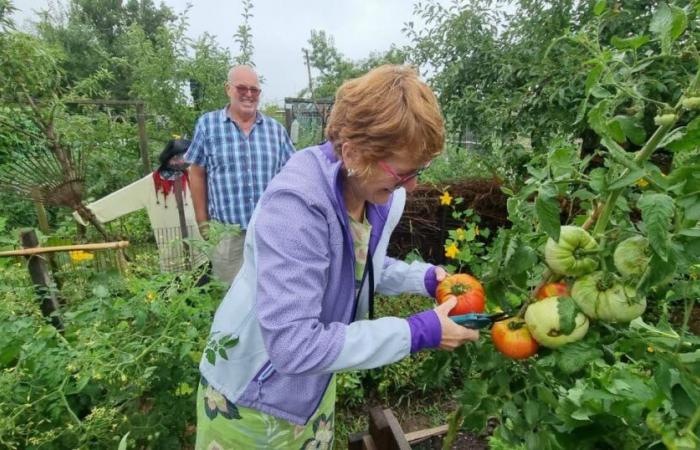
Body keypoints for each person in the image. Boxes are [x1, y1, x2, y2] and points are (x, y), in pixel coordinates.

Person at [195, 65, 479, 449]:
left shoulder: (374, 191)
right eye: (403, 172)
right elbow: (293, 345)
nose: (412, 185)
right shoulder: (296, 207)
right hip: (252, 394)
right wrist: (416, 331)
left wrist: (423, 278)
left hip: (312, 384)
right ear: (353, 152)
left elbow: (359, 265)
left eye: (419, 170)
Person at [185, 65, 295, 285]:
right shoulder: (208, 125)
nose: (248, 94)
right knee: (230, 297)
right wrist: (202, 221)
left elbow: (291, 175)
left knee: (269, 293)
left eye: (254, 89)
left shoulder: (276, 130)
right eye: (241, 88)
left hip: (269, 233)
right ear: (228, 89)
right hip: (227, 235)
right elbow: (196, 172)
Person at [73, 139, 206, 273]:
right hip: (169, 241)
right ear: (172, 159)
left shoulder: (193, 175)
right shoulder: (151, 184)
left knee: (202, 275)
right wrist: (90, 212)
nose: (190, 159)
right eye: (186, 156)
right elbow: (123, 198)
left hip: (197, 242)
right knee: (175, 279)